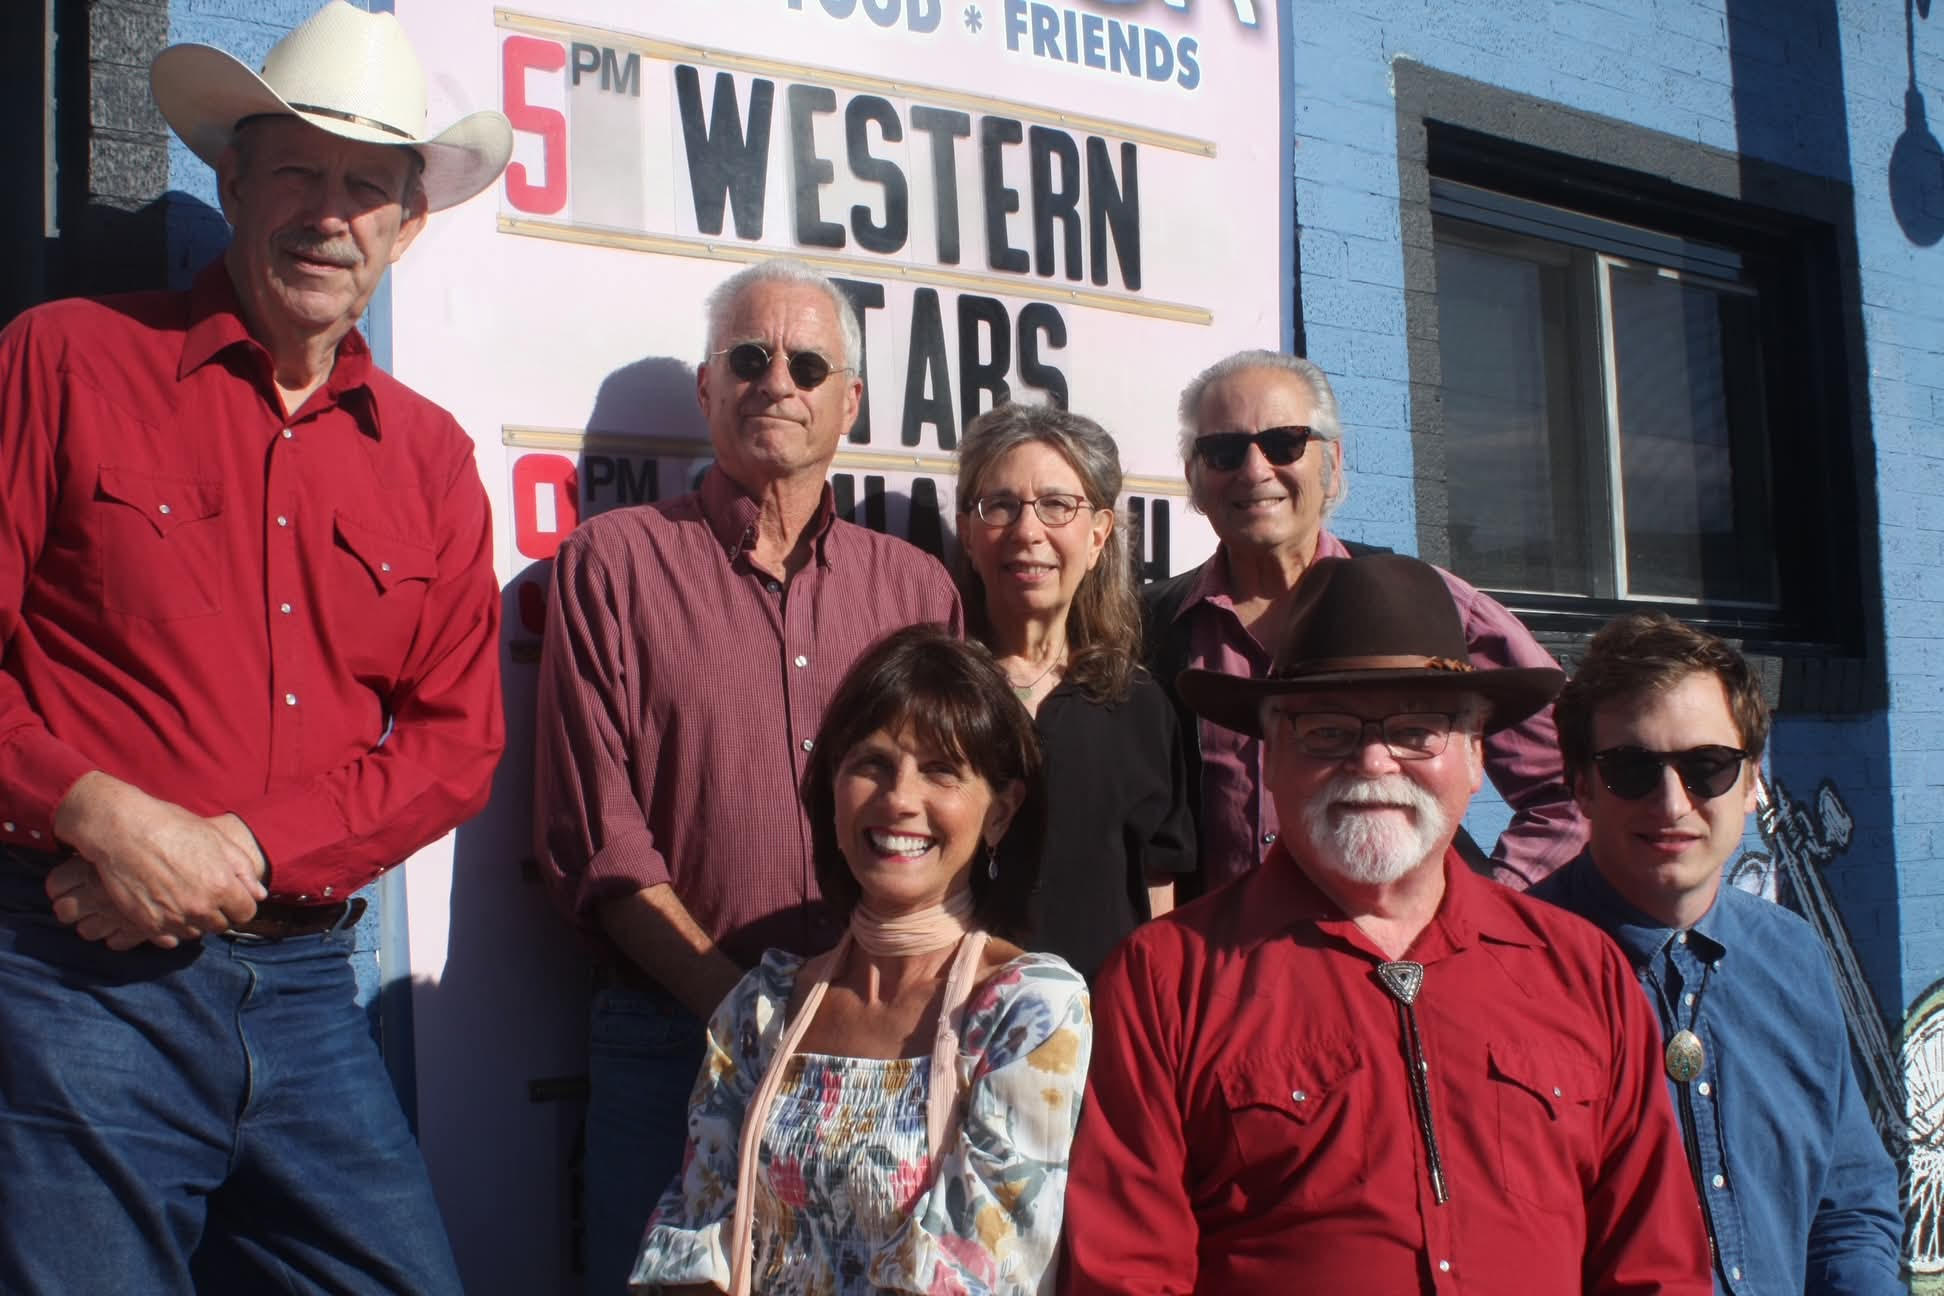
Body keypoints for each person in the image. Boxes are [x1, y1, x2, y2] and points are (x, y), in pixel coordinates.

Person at [0, 3, 511, 1290]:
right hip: (77, 982)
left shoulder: (433, 459)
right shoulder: (64, 362)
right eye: (297, 172)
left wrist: (235, 848)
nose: (329, 215)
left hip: (308, 995)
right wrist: (98, 813)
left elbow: (453, 747)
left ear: (407, 225)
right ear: (231, 182)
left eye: (367, 187)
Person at [1064, 553, 1712, 1294]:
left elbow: (1655, 1266)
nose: (1373, 762)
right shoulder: (1167, 979)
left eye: (1416, 730)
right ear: (1270, 758)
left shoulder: (1582, 972)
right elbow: (1127, 1275)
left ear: (1476, 753)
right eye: (1326, 731)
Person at [533, 257, 963, 1293]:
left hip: (878, 1047)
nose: (778, 381)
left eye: (808, 365)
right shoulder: (612, 565)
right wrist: (738, 1006)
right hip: (672, 1039)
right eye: (750, 357)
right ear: (707, 386)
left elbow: (953, 817)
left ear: (848, 404)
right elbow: (597, 833)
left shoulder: (918, 591)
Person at [631, 626, 1090, 1294]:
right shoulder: (760, 1010)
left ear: (1001, 813)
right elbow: (696, 1238)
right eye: (872, 763)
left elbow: (988, 1268)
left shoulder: (1027, 1010)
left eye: (941, 770)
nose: (899, 798)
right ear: (833, 789)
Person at [1530, 614, 1904, 1295]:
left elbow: (1847, 1207)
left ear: (1753, 781)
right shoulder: (1516, 973)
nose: (1672, 803)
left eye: (1707, 767)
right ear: (1580, 784)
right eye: (1631, 770)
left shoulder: (1793, 956)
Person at [1143, 350, 1582, 892]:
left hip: (1401, 945)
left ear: (1331, 463)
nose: (1254, 471)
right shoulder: (1147, 625)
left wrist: (1487, 905)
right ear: (1195, 475)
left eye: (1285, 443)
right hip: (1221, 944)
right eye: (1224, 451)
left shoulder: (1430, 605)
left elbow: (1572, 785)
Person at [954, 402, 1195, 979]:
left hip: (1101, 1021)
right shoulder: (934, 695)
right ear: (967, 533)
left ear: (1098, 537)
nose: (1027, 531)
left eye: (1057, 505)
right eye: (1000, 505)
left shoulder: (1140, 705)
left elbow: (1157, 893)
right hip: (954, 1017)